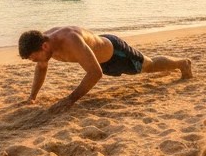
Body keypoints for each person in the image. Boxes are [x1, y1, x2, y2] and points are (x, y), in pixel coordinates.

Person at [18, 26, 193, 112]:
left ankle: (182, 63)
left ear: (45, 46)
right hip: (97, 57)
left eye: (33, 57)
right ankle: (180, 63)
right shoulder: (45, 44)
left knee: (149, 66)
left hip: (115, 53)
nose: (34, 61)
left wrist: (70, 99)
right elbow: (41, 68)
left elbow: (95, 74)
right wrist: (32, 97)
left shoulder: (70, 40)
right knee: (148, 66)